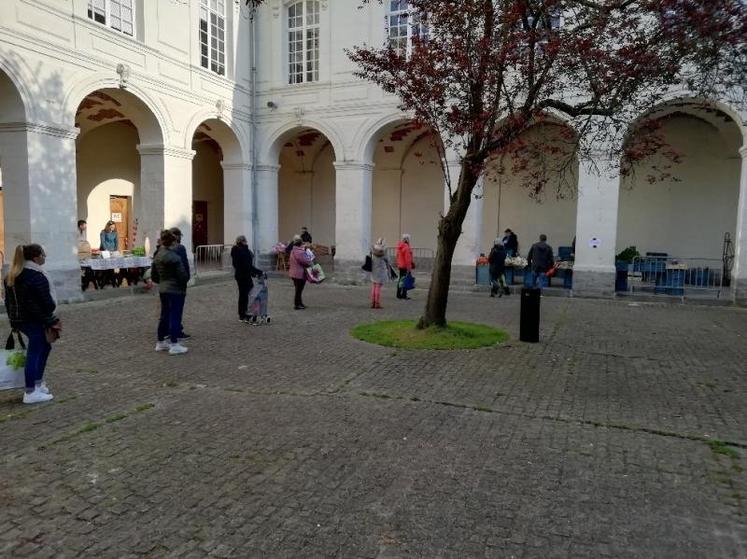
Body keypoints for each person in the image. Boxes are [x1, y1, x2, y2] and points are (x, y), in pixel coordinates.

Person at [3, 244, 61, 404]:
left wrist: (13, 321)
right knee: (35, 352)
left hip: (20, 320)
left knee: (44, 347)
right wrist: (49, 318)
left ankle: (37, 383)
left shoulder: (12, 275)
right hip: (34, 320)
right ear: (36, 257)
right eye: (43, 254)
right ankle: (30, 391)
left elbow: (8, 302)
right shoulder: (36, 276)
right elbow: (46, 304)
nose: (45, 257)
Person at [151, 229, 189, 355]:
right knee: (175, 315)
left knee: (164, 315)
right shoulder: (175, 257)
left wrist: (162, 281)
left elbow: (154, 275)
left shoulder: (158, 255)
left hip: (163, 289)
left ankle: (160, 342)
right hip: (175, 290)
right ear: (172, 242)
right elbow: (183, 276)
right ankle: (174, 344)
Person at [231, 235, 263, 323]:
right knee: (246, 295)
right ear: (243, 242)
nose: (246, 242)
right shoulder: (242, 251)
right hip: (243, 276)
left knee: (244, 295)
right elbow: (247, 265)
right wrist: (259, 272)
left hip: (241, 275)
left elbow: (240, 265)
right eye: (245, 241)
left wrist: (253, 273)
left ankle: (244, 313)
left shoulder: (236, 250)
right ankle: (244, 314)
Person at [169, 227, 191, 340]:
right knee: (177, 309)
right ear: (177, 237)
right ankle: (176, 331)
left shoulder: (163, 249)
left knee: (168, 308)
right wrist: (186, 278)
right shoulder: (180, 248)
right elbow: (184, 266)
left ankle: (168, 330)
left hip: (166, 284)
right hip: (178, 284)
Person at [288, 235, 312, 309]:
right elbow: (305, 261)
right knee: (299, 290)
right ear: (300, 244)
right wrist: (310, 261)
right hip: (299, 273)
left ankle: (300, 303)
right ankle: (297, 304)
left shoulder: (293, 250)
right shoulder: (299, 252)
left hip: (294, 273)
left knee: (298, 289)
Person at [370, 238, 393, 309]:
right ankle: (377, 303)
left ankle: (373, 302)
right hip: (381, 271)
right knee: (378, 287)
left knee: (374, 286)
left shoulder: (373, 250)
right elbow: (388, 261)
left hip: (374, 270)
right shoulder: (384, 251)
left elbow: (370, 258)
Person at [396, 234, 414, 300]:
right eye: (409, 239)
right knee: (405, 280)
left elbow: (397, 256)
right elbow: (408, 259)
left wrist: (398, 264)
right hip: (405, 266)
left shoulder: (400, 246)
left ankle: (398, 294)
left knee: (401, 280)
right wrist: (409, 268)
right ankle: (404, 295)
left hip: (401, 266)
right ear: (407, 239)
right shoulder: (406, 247)